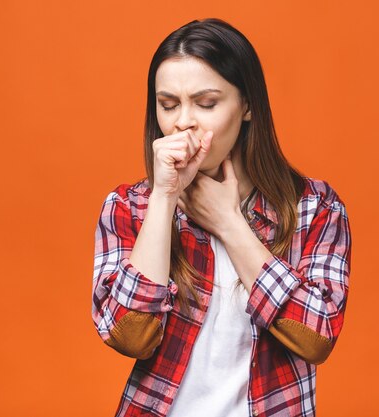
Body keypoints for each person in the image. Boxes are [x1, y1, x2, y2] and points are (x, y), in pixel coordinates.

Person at [91, 17, 352, 417]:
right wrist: (164, 196)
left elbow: (316, 337)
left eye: (206, 103)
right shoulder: (130, 206)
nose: (183, 122)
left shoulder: (314, 208)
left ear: (247, 105)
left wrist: (229, 223)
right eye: (168, 104)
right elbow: (129, 336)